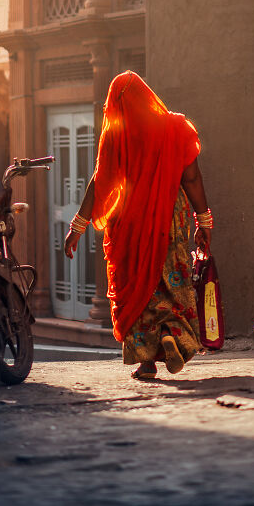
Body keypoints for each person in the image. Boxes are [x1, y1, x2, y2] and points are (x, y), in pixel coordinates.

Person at [64, 71, 214, 380]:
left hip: (129, 222)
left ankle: (147, 362)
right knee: (171, 281)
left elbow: (100, 181)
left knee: (137, 290)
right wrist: (204, 219)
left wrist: (77, 226)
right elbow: (192, 178)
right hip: (168, 218)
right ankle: (171, 332)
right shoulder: (175, 127)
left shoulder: (116, 134)